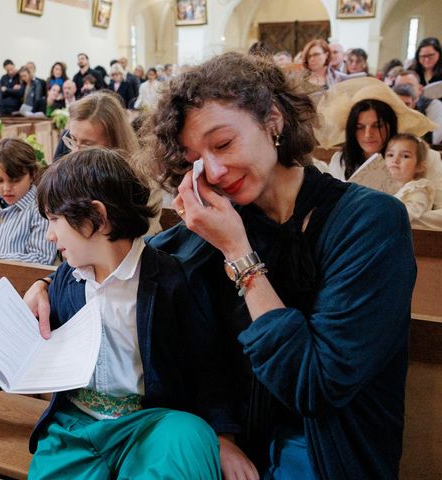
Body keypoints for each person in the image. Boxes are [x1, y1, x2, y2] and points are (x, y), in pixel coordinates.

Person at [25, 52, 418, 479]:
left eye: (224, 143)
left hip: (327, 445)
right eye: (196, 157)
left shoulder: (371, 221)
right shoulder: (224, 220)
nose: (214, 169)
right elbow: (129, 258)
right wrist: (49, 282)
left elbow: (314, 386)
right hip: (240, 431)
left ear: (273, 119)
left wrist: (238, 251)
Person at [0, 147, 233, 480]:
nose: (50, 234)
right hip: (75, 424)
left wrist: (226, 438)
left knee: (188, 436)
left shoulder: (171, 280)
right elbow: (22, 350)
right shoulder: (67, 279)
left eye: (55, 220)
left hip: (148, 422)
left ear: (94, 217)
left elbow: (210, 364)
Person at [53, 91, 163, 235]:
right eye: (72, 140)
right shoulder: (67, 175)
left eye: (87, 145)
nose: (75, 153)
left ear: (113, 143)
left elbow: (143, 242)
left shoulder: (143, 184)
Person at [314, 77, 437, 180]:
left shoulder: (425, 157)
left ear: (391, 125)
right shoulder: (341, 161)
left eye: (377, 126)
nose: (368, 134)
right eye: (360, 127)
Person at [0, 137, 56, 264]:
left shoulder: (41, 210)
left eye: (15, 180)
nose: (6, 188)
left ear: (32, 174)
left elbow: (42, 259)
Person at [385, 133, 434, 222]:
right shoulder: (382, 185)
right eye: (390, 155)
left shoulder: (418, 190)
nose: (395, 160)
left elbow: (409, 213)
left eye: (405, 156)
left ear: (419, 166)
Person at [394, 70, 442, 145]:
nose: (404, 89)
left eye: (409, 85)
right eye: (399, 86)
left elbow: (433, 140)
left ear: (420, 89)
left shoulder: (433, 106)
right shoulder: (390, 105)